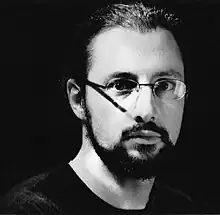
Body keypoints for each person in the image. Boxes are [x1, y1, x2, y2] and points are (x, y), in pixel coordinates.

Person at [0, 1, 198, 214]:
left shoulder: (180, 207)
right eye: (122, 86)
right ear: (78, 100)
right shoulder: (31, 210)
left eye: (165, 85)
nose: (147, 110)